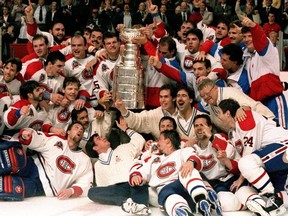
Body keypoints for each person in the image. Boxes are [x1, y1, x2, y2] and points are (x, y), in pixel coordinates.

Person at [217, 98, 287, 216]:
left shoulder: (244, 118)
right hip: (271, 156)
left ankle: (270, 197)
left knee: (246, 163)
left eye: (219, 112)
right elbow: (242, 159)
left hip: (283, 144)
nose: (217, 117)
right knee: (280, 191)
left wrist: (240, 179)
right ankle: (274, 200)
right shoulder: (233, 134)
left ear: (228, 113)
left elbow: (248, 156)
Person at [126, 130, 213, 216]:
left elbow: (194, 157)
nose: (157, 142)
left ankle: (201, 198)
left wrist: (191, 161)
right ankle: (183, 210)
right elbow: (141, 169)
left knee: (189, 170)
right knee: (170, 198)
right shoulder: (153, 159)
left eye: (159, 139)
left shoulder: (183, 151)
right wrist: (136, 175)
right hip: (166, 189)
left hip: (183, 186)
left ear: (168, 142)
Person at [17, 121, 93, 199]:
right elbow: (40, 139)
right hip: (33, 166)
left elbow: (86, 183)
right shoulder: (56, 139)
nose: (80, 130)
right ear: (68, 131)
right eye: (76, 127)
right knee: (10, 160)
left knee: (11, 186)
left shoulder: (85, 159)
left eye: (82, 130)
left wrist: (71, 191)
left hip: (44, 186)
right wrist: (27, 136)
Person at [85, 117, 147, 211]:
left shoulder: (123, 148)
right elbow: (104, 187)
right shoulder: (98, 165)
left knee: (139, 189)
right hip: (117, 190)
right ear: (95, 148)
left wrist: (126, 129)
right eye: (99, 138)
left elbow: (140, 140)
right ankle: (126, 202)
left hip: (133, 183)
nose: (103, 137)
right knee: (92, 192)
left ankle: (139, 206)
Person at [240, 14, 288, 128]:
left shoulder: (267, 50)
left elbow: (261, 42)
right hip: (259, 105)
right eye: (244, 36)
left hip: (273, 100)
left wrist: (254, 26)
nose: (247, 39)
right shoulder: (247, 57)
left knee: (283, 133)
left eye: (250, 36)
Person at [197, 79, 275, 133]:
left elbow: (249, 106)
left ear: (215, 88)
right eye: (203, 96)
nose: (206, 97)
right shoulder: (211, 107)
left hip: (266, 123)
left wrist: (241, 109)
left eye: (207, 93)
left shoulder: (230, 92)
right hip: (244, 135)